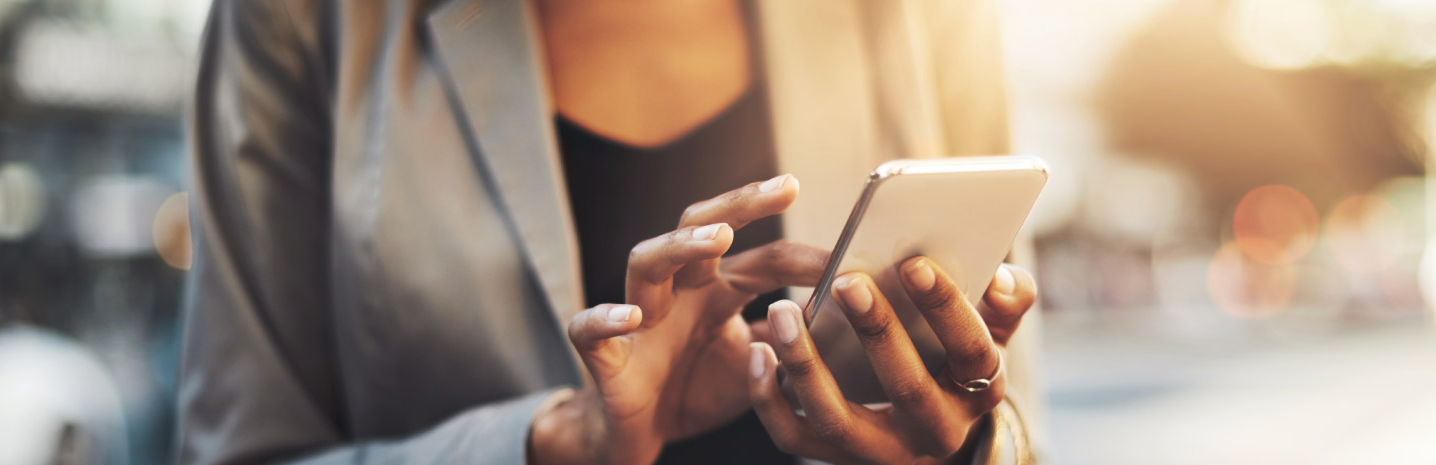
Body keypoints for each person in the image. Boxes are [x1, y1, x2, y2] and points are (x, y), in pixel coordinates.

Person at [178, 0, 1038, 463]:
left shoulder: (926, 15)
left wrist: (970, 454)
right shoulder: (297, 18)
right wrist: (557, 445)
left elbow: (1012, 419)